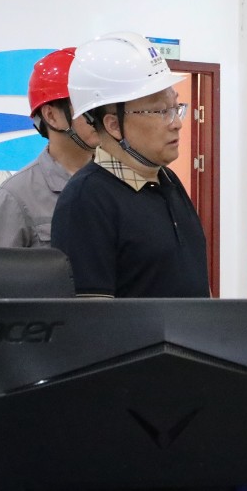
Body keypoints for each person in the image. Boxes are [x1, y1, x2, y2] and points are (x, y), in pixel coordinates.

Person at [51, 32, 210, 298]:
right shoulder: (87, 199)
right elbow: (88, 315)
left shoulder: (168, 181)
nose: (176, 123)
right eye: (161, 111)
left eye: (176, 108)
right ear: (114, 125)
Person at [0, 47, 98, 249]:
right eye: (85, 105)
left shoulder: (115, 183)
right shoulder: (16, 195)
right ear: (51, 116)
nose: (101, 115)